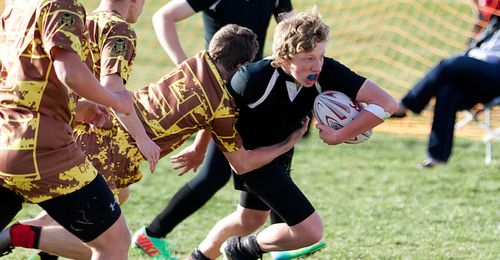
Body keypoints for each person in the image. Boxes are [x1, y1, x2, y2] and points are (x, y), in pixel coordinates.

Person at [0, 23, 309, 259]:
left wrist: (199, 148)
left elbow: (202, 110)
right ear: (241, 67)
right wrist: (288, 142)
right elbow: (242, 162)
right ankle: (20, 235)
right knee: (107, 242)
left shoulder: (194, 64)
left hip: (98, 129)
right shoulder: (222, 107)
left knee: (116, 200)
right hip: (115, 155)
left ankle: (42, 245)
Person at [184, 9, 398, 260]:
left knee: (249, 218)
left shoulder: (326, 71)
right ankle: (241, 249)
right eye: (307, 58)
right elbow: (215, 112)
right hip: (252, 157)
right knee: (310, 231)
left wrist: (342, 134)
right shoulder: (251, 79)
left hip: (282, 151)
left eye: (320, 55)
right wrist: (199, 149)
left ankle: (197, 258)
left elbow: (387, 103)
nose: (317, 65)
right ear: (283, 58)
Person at [132, 1, 329, 260]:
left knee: (247, 199)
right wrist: (189, 70)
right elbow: (164, 16)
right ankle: (153, 233)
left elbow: (294, 34)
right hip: (224, 89)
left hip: (252, 89)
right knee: (217, 176)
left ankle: (279, 239)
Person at [15, 0, 157, 259]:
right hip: (70, 141)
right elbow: (107, 85)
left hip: (39, 128)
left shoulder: (65, 17)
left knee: (110, 198)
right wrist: (139, 134)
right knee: (111, 238)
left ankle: (27, 238)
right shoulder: (113, 26)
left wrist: (76, 108)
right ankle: (18, 235)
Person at [391, 6, 500, 168]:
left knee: (450, 64)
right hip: (476, 75)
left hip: (495, 76)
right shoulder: (491, 22)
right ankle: (437, 158)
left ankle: (406, 104)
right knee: (447, 92)